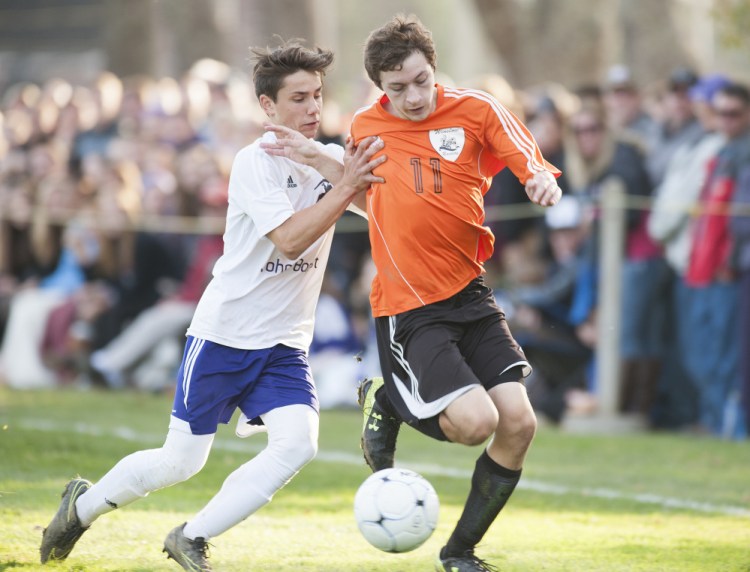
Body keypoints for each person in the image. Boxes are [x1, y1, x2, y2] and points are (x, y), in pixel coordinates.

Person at [39, 40, 385, 570]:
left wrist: (349, 175)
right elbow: (290, 240)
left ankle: (192, 536)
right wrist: (345, 187)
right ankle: (79, 509)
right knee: (180, 461)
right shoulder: (254, 163)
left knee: (299, 445)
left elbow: (381, 209)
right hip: (226, 333)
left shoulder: (331, 159)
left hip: (284, 341)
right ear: (268, 108)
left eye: (318, 95)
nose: (313, 108)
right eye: (299, 98)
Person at [351, 15, 561, 572]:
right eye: (398, 88)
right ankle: (390, 401)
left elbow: (527, 158)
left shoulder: (475, 109)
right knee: (475, 424)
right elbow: (363, 196)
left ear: (433, 68)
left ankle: (460, 551)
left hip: (471, 294)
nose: (413, 96)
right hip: (410, 306)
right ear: (380, 87)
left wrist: (542, 179)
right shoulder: (364, 128)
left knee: (518, 423)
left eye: (421, 80)